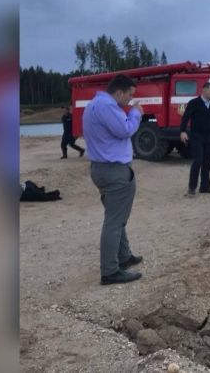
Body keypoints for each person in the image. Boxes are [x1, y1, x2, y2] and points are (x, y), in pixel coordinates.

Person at [82, 74, 144, 285]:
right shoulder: (108, 107)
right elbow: (125, 130)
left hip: (101, 168)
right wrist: (135, 114)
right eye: (129, 95)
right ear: (118, 92)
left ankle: (124, 256)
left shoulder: (94, 104)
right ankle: (110, 271)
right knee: (115, 221)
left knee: (116, 215)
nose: (130, 100)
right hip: (114, 170)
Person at [180, 83, 210, 197]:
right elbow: (185, 117)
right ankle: (192, 188)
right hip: (197, 136)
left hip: (209, 136)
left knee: (207, 161)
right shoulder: (194, 103)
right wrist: (182, 131)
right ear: (204, 91)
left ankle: (205, 186)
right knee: (198, 160)